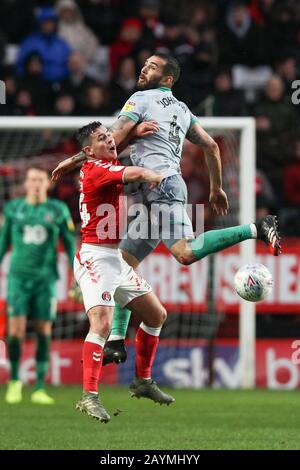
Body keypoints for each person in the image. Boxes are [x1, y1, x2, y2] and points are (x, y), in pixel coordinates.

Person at [52, 52, 281, 366]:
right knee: (121, 266)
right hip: (152, 190)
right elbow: (212, 147)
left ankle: (257, 227)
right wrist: (216, 188)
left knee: (184, 253)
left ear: (168, 78)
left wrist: (75, 159)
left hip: (162, 186)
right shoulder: (183, 110)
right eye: (144, 63)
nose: (144, 67)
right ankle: (117, 341)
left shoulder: (141, 99)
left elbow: (113, 139)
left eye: (152, 66)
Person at [73, 121, 175, 423]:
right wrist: (154, 174)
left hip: (115, 258)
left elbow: (122, 152)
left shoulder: (103, 161)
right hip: (95, 258)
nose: (110, 140)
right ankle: (88, 397)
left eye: (109, 135)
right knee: (101, 324)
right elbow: (134, 173)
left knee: (156, 315)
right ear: (89, 151)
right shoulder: (96, 170)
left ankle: (142, 381)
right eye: (102, 139)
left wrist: (134, 132)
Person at [0, 167, 76, 404]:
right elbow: (3, 242)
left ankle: (40, 387)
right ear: (25, 184)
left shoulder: (57, 210)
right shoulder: (14, 209)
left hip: (46, 280)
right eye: (31, 179)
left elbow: (70, 244)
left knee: (44, 331)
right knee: (15, 332)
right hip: (18, 279)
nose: (35, 183)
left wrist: (78, 276)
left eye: (39, 179)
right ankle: (14, 381)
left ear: (48, 184)